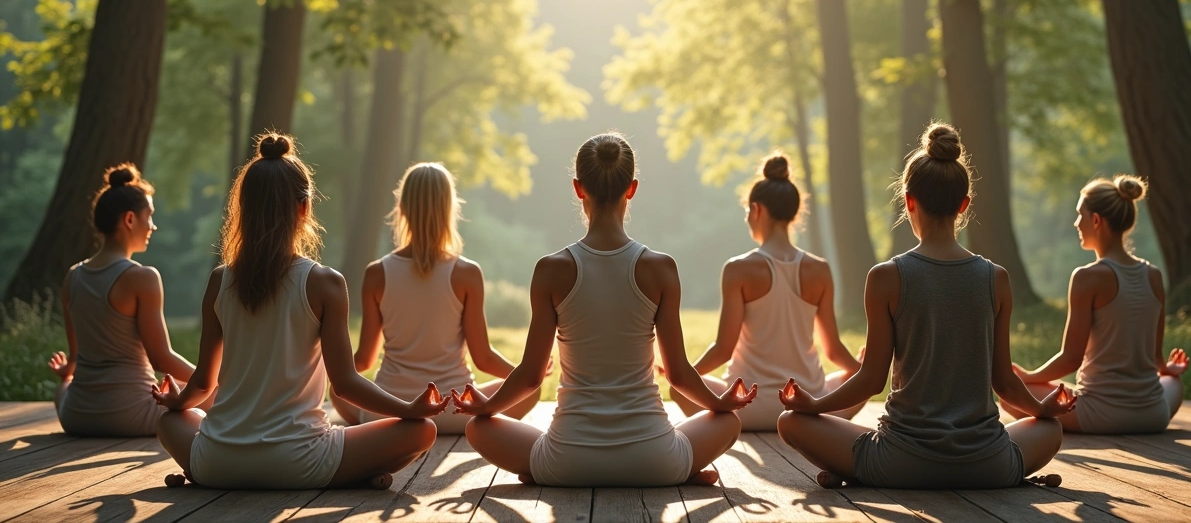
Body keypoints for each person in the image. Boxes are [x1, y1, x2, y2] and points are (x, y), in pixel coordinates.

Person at [776, 123, 1075, 489]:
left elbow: (870, 381)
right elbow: (1004, 382)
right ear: (964, 205)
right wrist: (1044, 410)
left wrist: (813, 406)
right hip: (986, 464)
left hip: (900, 463)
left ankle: (853, 473)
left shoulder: (886, 276)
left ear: (909, 200)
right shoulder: (996, 278)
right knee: (1050, 429)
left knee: (789, 423)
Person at [451, 132, 757, 487]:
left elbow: (531, 376)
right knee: (729, 421)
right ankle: (684, 470)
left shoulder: (551, 269)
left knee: (478, 428)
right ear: (632, 188)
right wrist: (721, 402)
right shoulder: (660, 268)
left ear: (579, 188)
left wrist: (484, 408)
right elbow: (678, 375)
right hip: (654, 460)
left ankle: (538, 473)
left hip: (567, 461)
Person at [153, 133, 448, 490]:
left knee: (171, 420)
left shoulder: (219, 281)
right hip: (299, 462)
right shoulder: (325, 283)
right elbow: (346, 384)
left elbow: (202, 383)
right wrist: (408, 410)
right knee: (422, 431)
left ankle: (340, 471)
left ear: (242, 208)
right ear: (304, 207)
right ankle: (357, 474)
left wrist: (176, 401)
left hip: (217, 462)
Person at [332, 162, 540, 432]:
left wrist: (326, 366)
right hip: (456, 411)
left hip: (390, 409)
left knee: (338, 391)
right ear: (450, 210)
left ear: (402, 209)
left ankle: (400, 425)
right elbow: (483, 358)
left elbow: (365, 360)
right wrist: (525, 374)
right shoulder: (467, 273)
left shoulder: (376, 274)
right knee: (529, 391)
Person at [671, 153, 864, 430]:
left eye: (747, 212)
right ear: (794, 213)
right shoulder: (819, 269)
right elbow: (833, 351)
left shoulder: (738, 269)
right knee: (850, 380)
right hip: (806, 405)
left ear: (757, 210)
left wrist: (684, 375)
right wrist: (862, 372)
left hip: (745, 408)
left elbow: (723, 350)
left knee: (680, 389)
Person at [1005, 175, 1189, 433]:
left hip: (1100, 417)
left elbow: (1070, 360)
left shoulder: (1086, 277)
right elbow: (1156, 358)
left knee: (1011, 394)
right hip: (1153, 414)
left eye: (1080, 214)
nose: (1076, 222)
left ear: (1096, 220)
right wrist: (1168, 369)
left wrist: (1026, 377)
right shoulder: (1154, 275)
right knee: (1173, 382)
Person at [50, 164, 206, 437]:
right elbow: (161, 359)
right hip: (133, 416)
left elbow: (76, 357)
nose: (153, 226)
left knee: (65, 386)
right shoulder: (142, 277)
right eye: (150, 216)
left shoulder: (72, 277)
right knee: (205, 395)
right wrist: (212, 382)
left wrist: (68, 371)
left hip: (76, 415)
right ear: (130, 219)